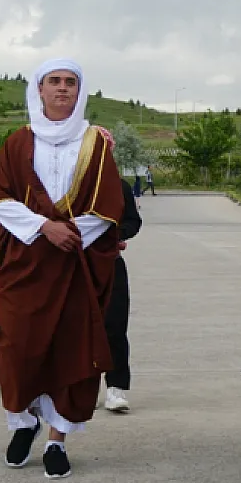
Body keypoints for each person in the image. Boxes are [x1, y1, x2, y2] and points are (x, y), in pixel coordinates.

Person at [0, 58, 125, 479]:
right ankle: (23, 421)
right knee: (19, 348)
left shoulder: (95, 144)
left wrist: (71, 234)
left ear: (79, 92)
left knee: (70, 352)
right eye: (55, 82)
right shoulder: (16, 142)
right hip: (25, 264)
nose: (62, 89)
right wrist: (45, 227)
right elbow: (1, 199)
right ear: (40, 89)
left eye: (70, 82)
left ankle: (56, 440)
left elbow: (107, 205)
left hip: (75, 266)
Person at [101, 176, 142, 412]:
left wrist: (118, 234)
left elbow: (132, 221)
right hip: (72, 265)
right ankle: (78, 387)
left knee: (114, 325)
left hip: (109, 262)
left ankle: (115, 388)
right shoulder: (67, 181)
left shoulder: (117, 185)